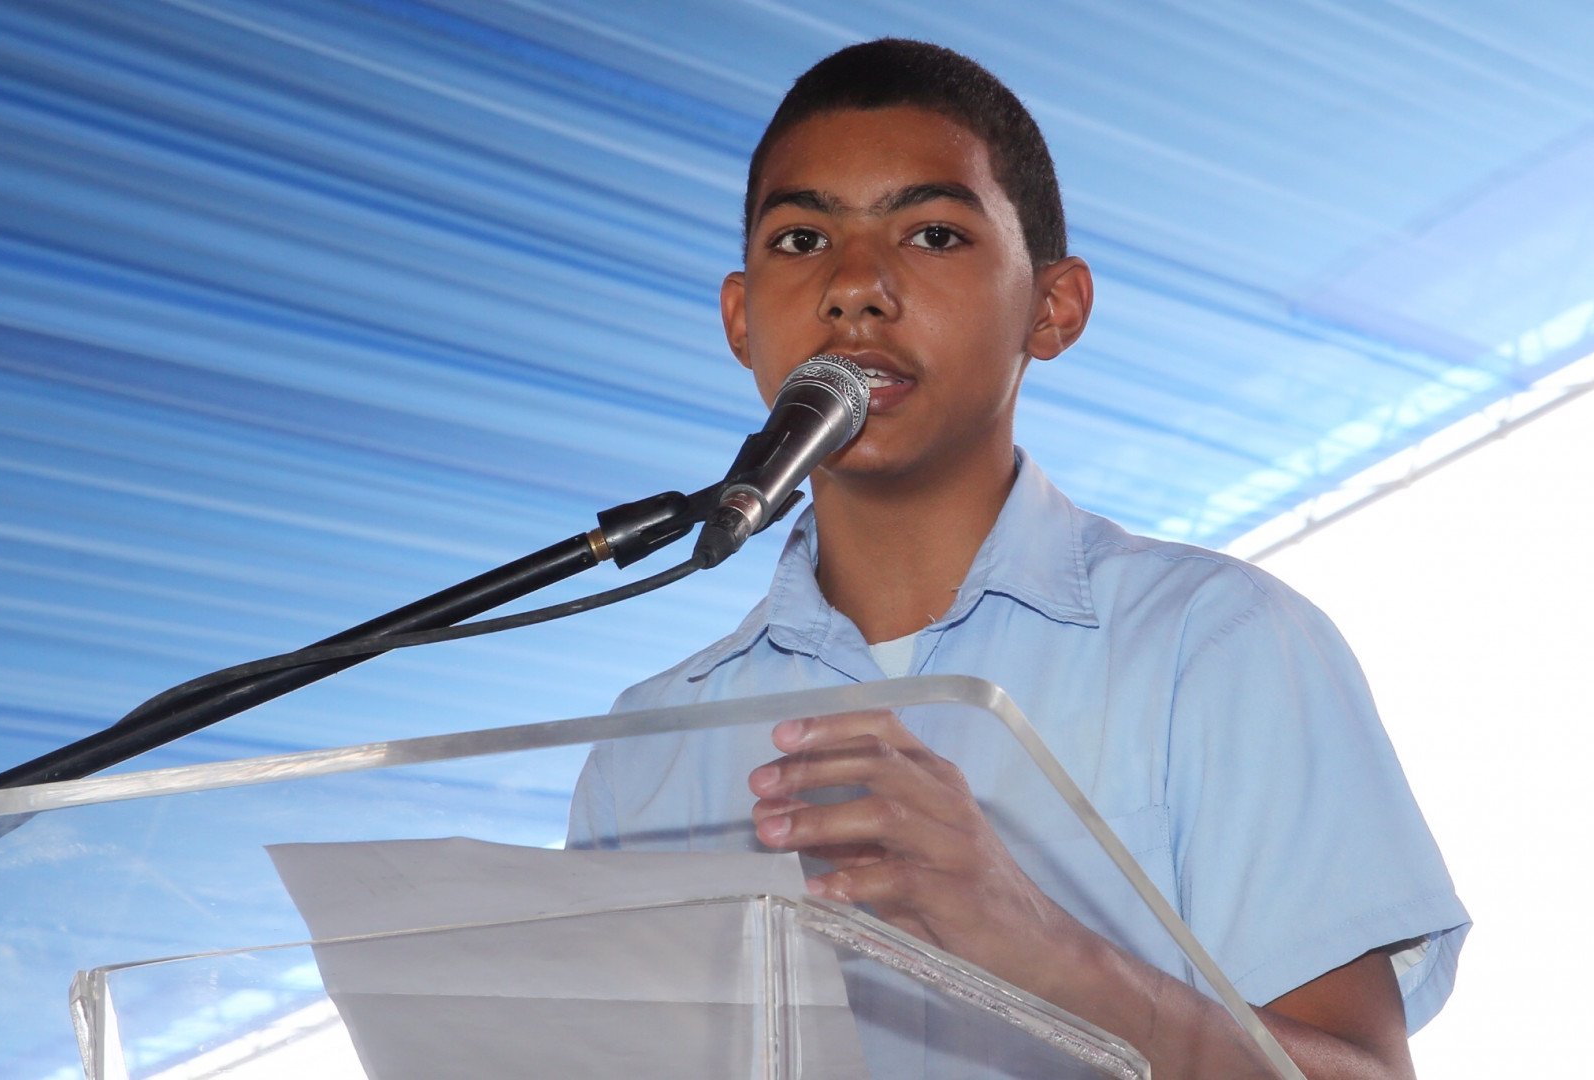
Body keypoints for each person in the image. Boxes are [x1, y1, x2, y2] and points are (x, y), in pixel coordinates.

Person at [569, 39, 1468, 1080]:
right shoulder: (643, 751)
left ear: (1053, 308)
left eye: (933, 233)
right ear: (739, 320)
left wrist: (1039, 946)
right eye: (802, 238)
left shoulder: (1218, 644)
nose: (854, 287)